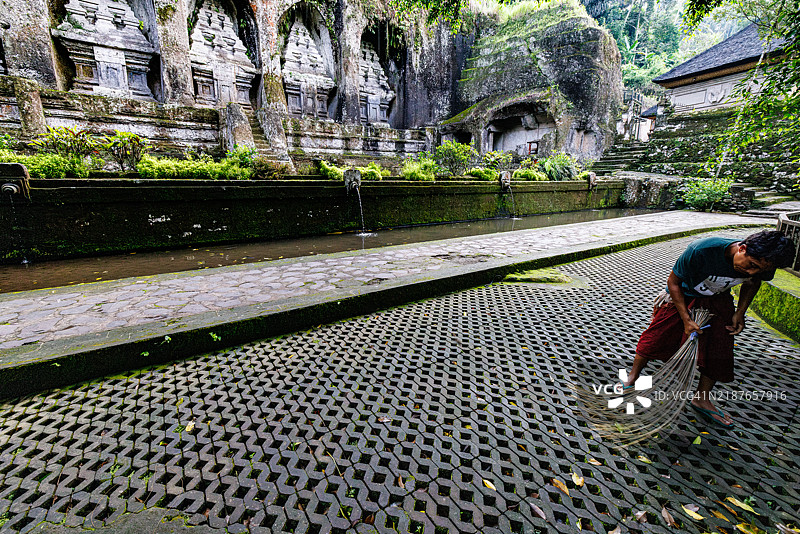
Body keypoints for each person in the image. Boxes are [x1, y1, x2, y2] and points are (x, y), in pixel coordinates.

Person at [623, 230, 795, 429]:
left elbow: (753, 282)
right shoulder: (702, 250)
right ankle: (633, 377)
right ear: (742, 248)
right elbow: (674, 282)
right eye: (751, 265)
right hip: (683, 294)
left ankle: (701, 398)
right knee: (656, 337)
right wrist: (686, 319)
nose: (751, 272)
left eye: (759, 270)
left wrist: (740, 312)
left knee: (719, 348)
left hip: (718, 299)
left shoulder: (764, 262)